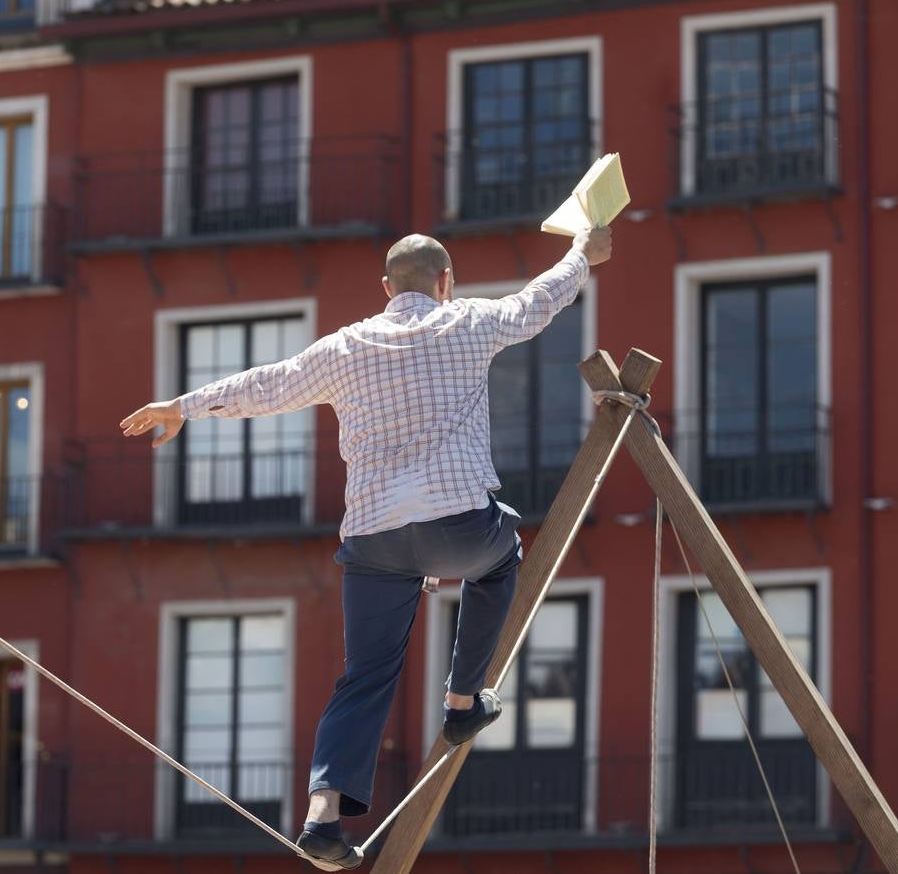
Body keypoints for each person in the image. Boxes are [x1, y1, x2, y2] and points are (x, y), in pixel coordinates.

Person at [120, 225, 613, 868]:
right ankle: (463, 703)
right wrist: (581, 254)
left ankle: (323, 817)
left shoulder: (347, 346)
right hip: (458, 528)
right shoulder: (467, 322)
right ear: (446, 283)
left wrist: (184, 405)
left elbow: (269, 385)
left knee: (364, 677)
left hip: (374, 541)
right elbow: (538, 301)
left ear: (385, 289)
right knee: (503, 558)